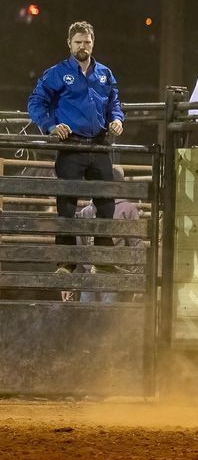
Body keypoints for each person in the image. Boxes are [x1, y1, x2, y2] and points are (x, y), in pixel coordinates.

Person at [27, 20, 124, 277]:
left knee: (106, 203)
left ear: (93, 43)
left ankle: (102, 259)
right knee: (67, 203)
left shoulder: (104, 73)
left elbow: (114, 102)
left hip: (99, 144)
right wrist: (50, 126)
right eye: (78, 42)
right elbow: (36, 102)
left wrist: (117, 119)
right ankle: (65, 262)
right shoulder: (57, 72)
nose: (83, 46)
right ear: (69, 44)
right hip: (71, 145)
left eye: (87, 41)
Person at [78, 166, 141, 303]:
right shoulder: (127, 209)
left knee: (85, 316)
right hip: (112, 275)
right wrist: (137, 277)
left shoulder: (86, 212)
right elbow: (137, 245)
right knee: (108, 316)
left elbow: (78, 248)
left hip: (90, 276)